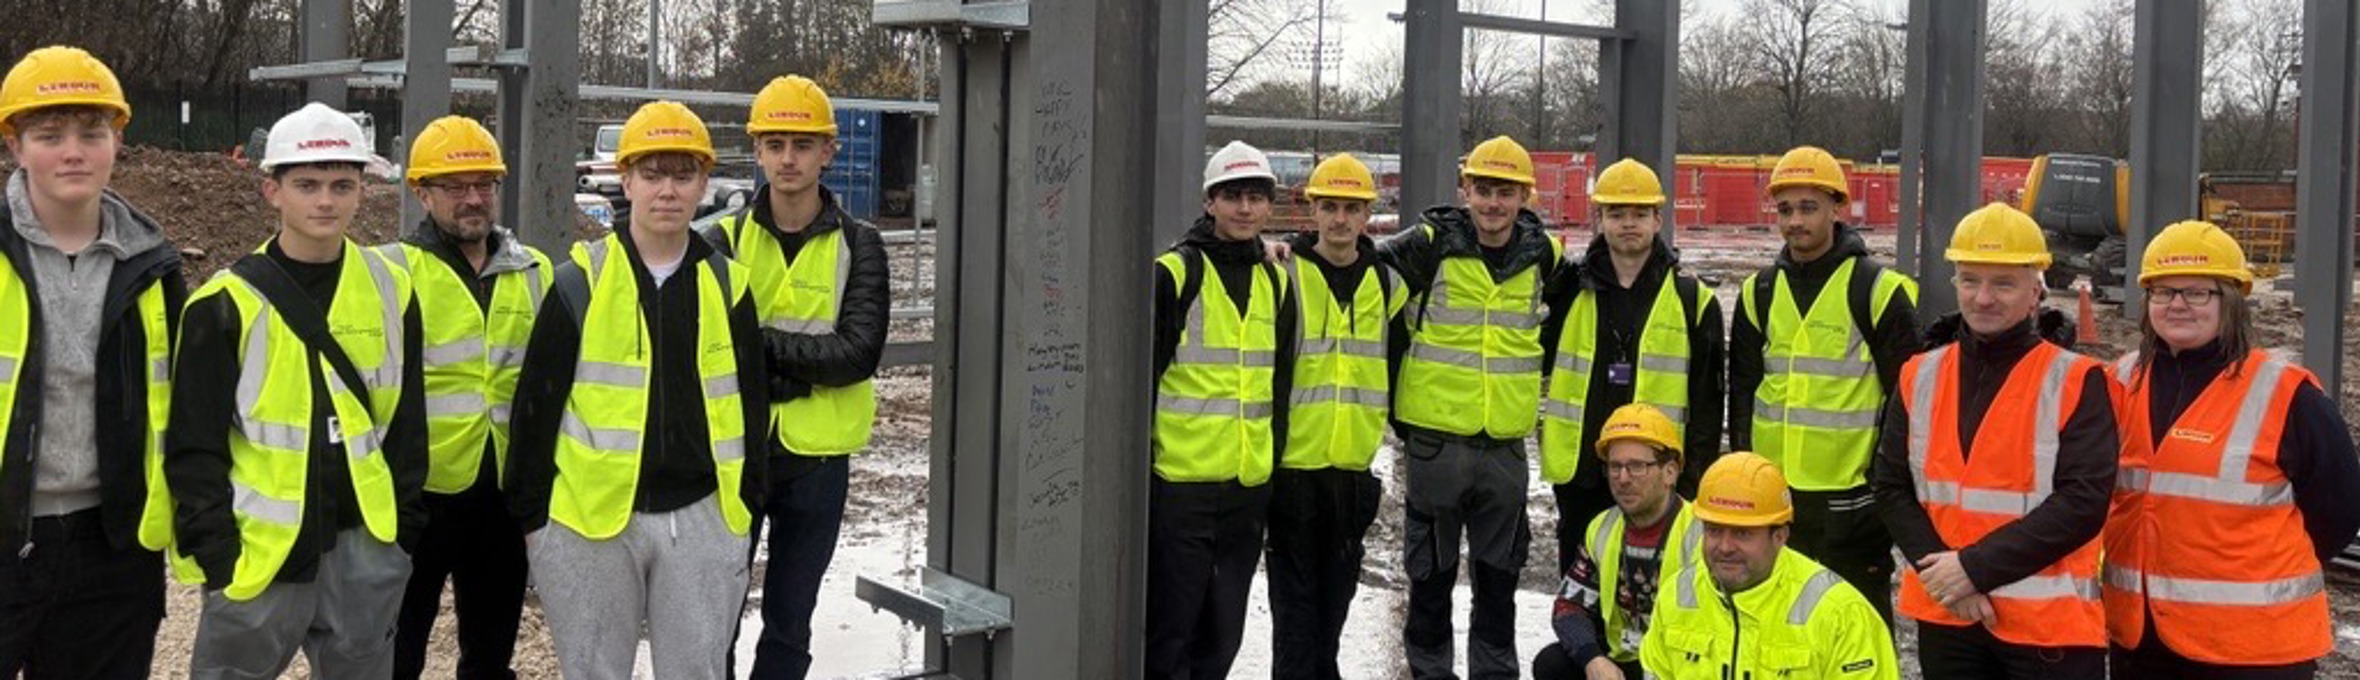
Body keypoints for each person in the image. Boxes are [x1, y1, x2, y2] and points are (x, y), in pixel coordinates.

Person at [504, 100, 770, 680]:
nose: (667, 191)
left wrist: (745, 508)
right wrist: (535, 524)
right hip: (589, 523)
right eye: (651, 175)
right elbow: (535, 412)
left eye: (681, 175)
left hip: (703, 515)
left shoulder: (728, 288)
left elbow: (752, 409)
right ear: (624, 179)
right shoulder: (580, 282)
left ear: (703, 183)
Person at [168, 102, 427, 679]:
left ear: (363, 189)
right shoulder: (224, 303)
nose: (326, 201)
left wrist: (402, 534)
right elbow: (193, 446)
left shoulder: (392, 289)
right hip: (261, 551)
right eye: (307, 185)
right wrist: (219, 557)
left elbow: (408, 423)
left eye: (342, 184)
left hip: (366, 544)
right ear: (272, 192)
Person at [0, 44, 186, 678]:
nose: (73, 150)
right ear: (15, 145)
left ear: (117, 140)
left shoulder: (153, 266)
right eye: (49, 135)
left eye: (91, 132)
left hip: (112, 547)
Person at [2103, 220, 2360, 678]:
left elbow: (2338, 512)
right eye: (2162, 292)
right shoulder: (2119, 382)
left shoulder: (2287, 395)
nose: (2177, 305)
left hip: (2255, 649)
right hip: (2141, 640)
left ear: (2233, 301)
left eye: (2197, 293)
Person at [1876, 203, 2114, 678]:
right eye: (1970, 280)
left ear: (2035, 291)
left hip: (2046, 630)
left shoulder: (2077, 380)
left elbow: (2083, 503)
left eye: (2003, 283)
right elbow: (1890, 487)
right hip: (1950, 619)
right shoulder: (1919, 375)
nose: (1983, 298)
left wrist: (1972, 571)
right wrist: (1947, 581)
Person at [704, 74, 890, 680]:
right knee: (714, 616)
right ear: (756, 150)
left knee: (790, 619)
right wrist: (803, 365)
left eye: (802, 144)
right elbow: (707, 351)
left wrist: (757, 350)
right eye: (775, 143)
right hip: (734, 455)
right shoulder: (720, 240)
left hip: (817, 461)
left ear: (827, 152)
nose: (788, 158)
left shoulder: (860, 246)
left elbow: (857, 355)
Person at [1379, 134, 1571, 680]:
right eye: (1484, 190)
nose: (1493, 203)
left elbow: (1580, 298)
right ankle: (1429, 671)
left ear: (1524, 197)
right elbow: (1360, 275)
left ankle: (1493, 673)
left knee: (1499, 581)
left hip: (1505, 447)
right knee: (1431, 580)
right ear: (1466, 190)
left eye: (1505, 193)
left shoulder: (1543, 256)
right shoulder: (1431, 244)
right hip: (1437, 443)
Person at [384, 115, 549, 680]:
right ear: (422, 192)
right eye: (454, 187)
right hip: (418, 496)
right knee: (397, 646)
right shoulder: (390, 274)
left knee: (491, 651)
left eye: (484, 185)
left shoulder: (534, 272)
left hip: (502, 494)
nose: (472, 198)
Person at [1726, 145, 1920, 623]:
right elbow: (1745, 396)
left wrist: (1882, 490)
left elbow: (1910, 403)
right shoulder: (1760, 292)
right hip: (1777, 501)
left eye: (1808, 208)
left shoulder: (1877, 290)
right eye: (1785, 209)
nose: (1795, 221)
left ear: (1838, 208)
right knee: (1778, 627)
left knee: (1854, 627)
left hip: (1851, 504)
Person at [1146, 139, 1296, 680]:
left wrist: (1271, 466)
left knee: (1223, 629)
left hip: (1246, 483)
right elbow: (1145, 379)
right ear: (1210, 203)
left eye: (1256, 197)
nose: (1245, 208)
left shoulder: (1276, 279)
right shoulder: (1175, 274)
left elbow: (1279, 383)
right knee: (1171, 629)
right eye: (1232, 196)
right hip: (1181, 483)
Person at [1540, 157, 1723, 574]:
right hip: (1581, 475)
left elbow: (1708, 406)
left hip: (1656, 480)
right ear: (1599, 220)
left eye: (1640, 214)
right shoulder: (1569, 290)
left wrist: (1692, 481)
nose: (1628, 224)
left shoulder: (1692, 301)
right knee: (1582, 588)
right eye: (1616, 214)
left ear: (1658, 220)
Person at [1265, 153, 1399, 680]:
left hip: (1351, 472)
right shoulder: (1284, 274)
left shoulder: (1389, 284)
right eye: (1330, 207)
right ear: (1311, 210)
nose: (1340, 219)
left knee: (1333, 611)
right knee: (1294, 618)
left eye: (1351, 208)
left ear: (1369, 213)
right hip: (1295, 472)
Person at [1640, 452, 1898, 679]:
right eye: (1714, 530)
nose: (1725, 546)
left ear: (1780, 537)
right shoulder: (1676, 597)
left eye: (1742, 533)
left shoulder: (1841, 614)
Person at [1533, 404, 1699, 680]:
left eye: (1637, 467)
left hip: (1681, 667)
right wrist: (1592, 658)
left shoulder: (1704, 533)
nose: (1622, 478)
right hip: (1625, 662)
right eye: (1615, 466)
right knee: (1553, 664)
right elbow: (1568, 606)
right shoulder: (1602, 528)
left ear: (1670, 472)